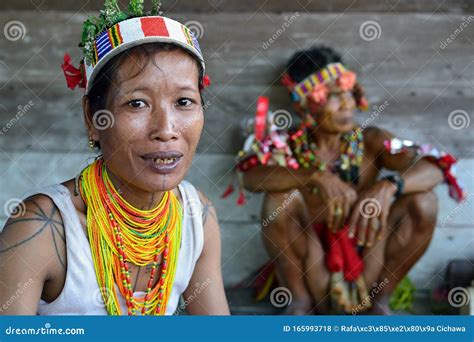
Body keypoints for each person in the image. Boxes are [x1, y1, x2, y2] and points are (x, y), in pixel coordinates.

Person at [0, 0, 229, 316]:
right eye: (137, 104)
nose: (166, 129)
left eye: (184, 101)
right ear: (93, 119)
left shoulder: (196, 216)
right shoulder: (41, 229)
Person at [229, 46, 464, 315]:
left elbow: (434, 165)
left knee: (424, 201)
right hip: (312, 268)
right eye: (332, 96)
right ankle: (299, 303)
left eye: (348, 93)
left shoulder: (371, 141)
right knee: (278, 200)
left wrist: (389, 186)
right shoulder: (286, 145)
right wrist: (315, 176)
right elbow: (249, 177)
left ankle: (380, 304)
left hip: (368, 263)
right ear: (303, 103)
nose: (347, 104)